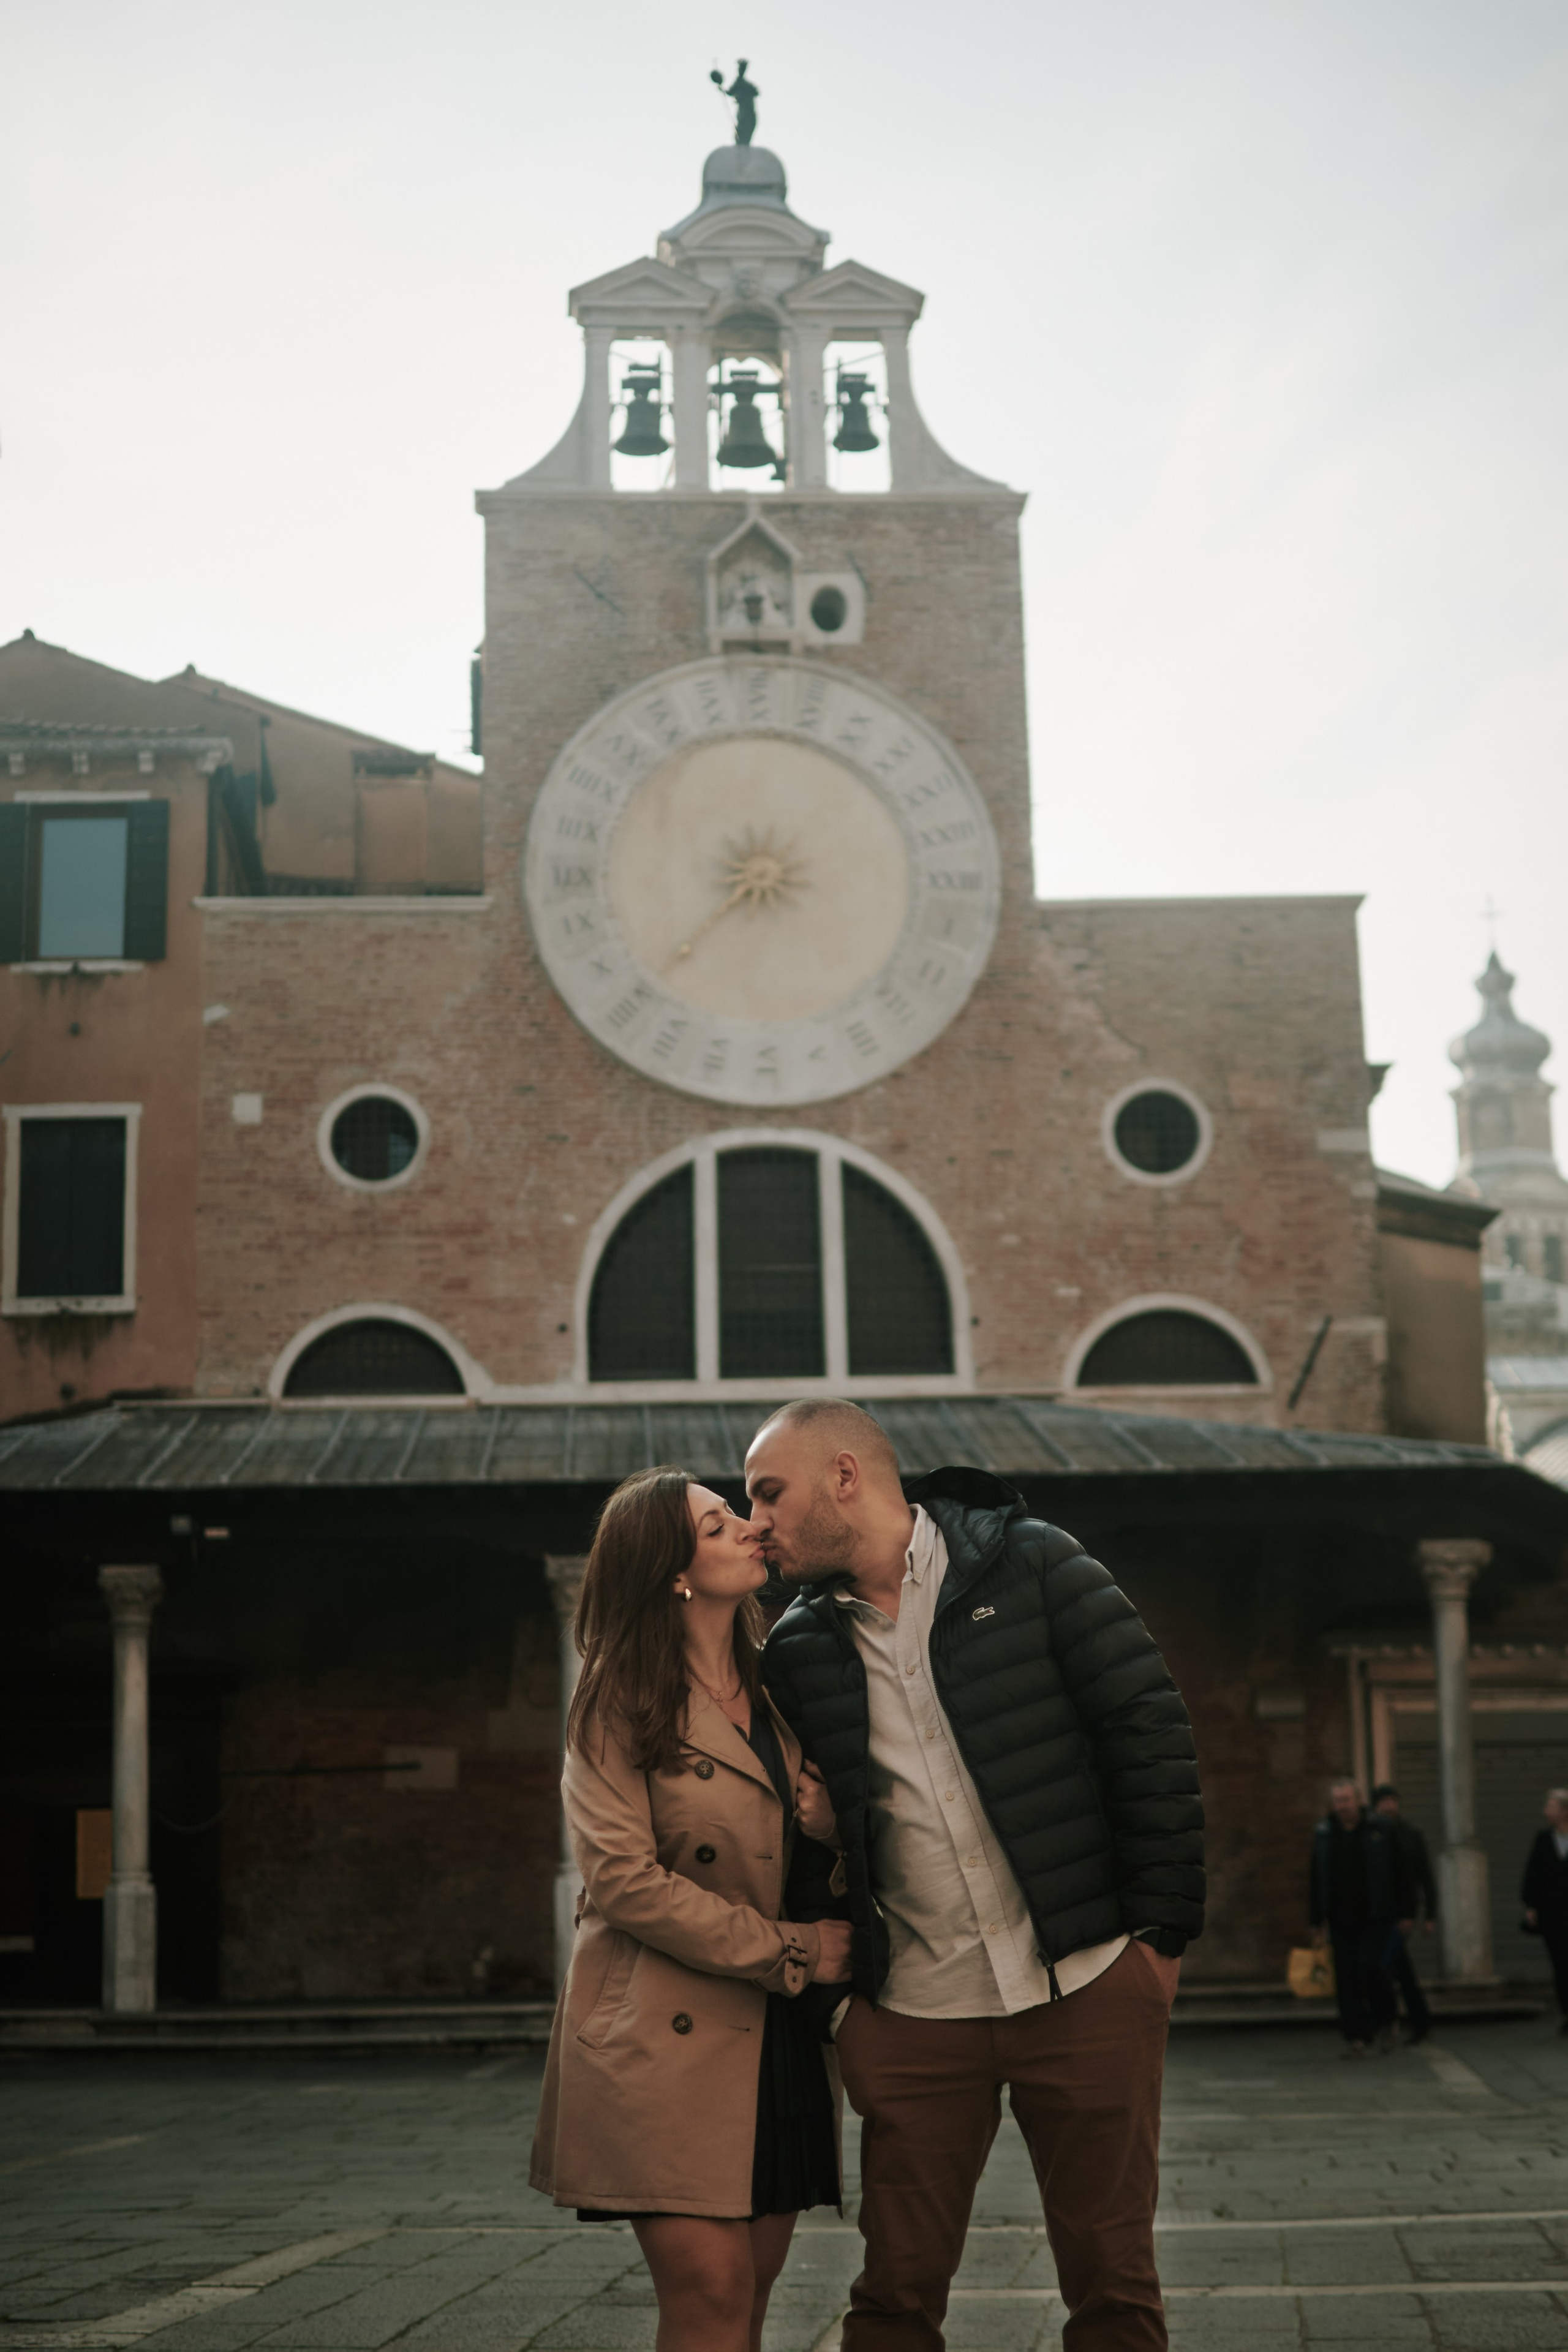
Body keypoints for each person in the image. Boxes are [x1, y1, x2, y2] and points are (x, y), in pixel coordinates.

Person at [748, 1399, 1205, 2352]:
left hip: (1085, 1984)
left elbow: (1147, 1728)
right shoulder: (792, 1648)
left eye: (768, 1493)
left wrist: (1155, 1943)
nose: (756, 1523)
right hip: (913, 2016)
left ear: (845, 1476)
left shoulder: (1033, 1561)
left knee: (1113, 2284)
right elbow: (783, 1842)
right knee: (894, 2296)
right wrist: (845, 2013)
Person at [531, 1466, 853, 2352]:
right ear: (673, 1568)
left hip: (772, 2039)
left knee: (746, 2299)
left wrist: (827, 1828)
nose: (750, 1528)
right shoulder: (615, 1697)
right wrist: (794, 1950)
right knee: (709, 2294)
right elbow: (623, 1882)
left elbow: (800, 1860)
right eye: (718, 1526)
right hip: (661, 2042)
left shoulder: (780, 1688)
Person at [1309, 1778, 1415, 2056]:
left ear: (1359, 1801)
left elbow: (1401, 1871)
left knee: (1372, 1968)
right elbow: (1316, 1878)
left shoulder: (1381, 1829)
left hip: (1376, 1916)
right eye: (1338, 1801)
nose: (1342, 1806)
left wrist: (1407, 1911)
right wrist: (1316, 1919)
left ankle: (1387, 2020)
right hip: (1340, 1918)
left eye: (1347, 1800)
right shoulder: (1325, 1833)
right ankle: (1357, 2036)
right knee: (1346, 1978)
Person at [1371, 1783, 1438, 2043]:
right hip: (1377, 1914)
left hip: (1402, 1915)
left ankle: (1392, 2020)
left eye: (1393, 1801)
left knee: (1387, 1967)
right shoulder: (1372, 1834)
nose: (1390, 1806)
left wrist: (1429, 1915)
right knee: (1399, 1969)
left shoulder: (1411, 1835)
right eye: (1384, 1802)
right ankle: (1417, 2020)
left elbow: (1425, 1877)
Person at [1521, 1787, 1568, 2034]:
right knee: (1560, 1964)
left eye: (1551, 1807)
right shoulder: (1543, 1839)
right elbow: (1534, 1872)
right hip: (1553, 1914)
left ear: (1565, 1811)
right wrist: (1531, 1904)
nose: (1545, 1812)